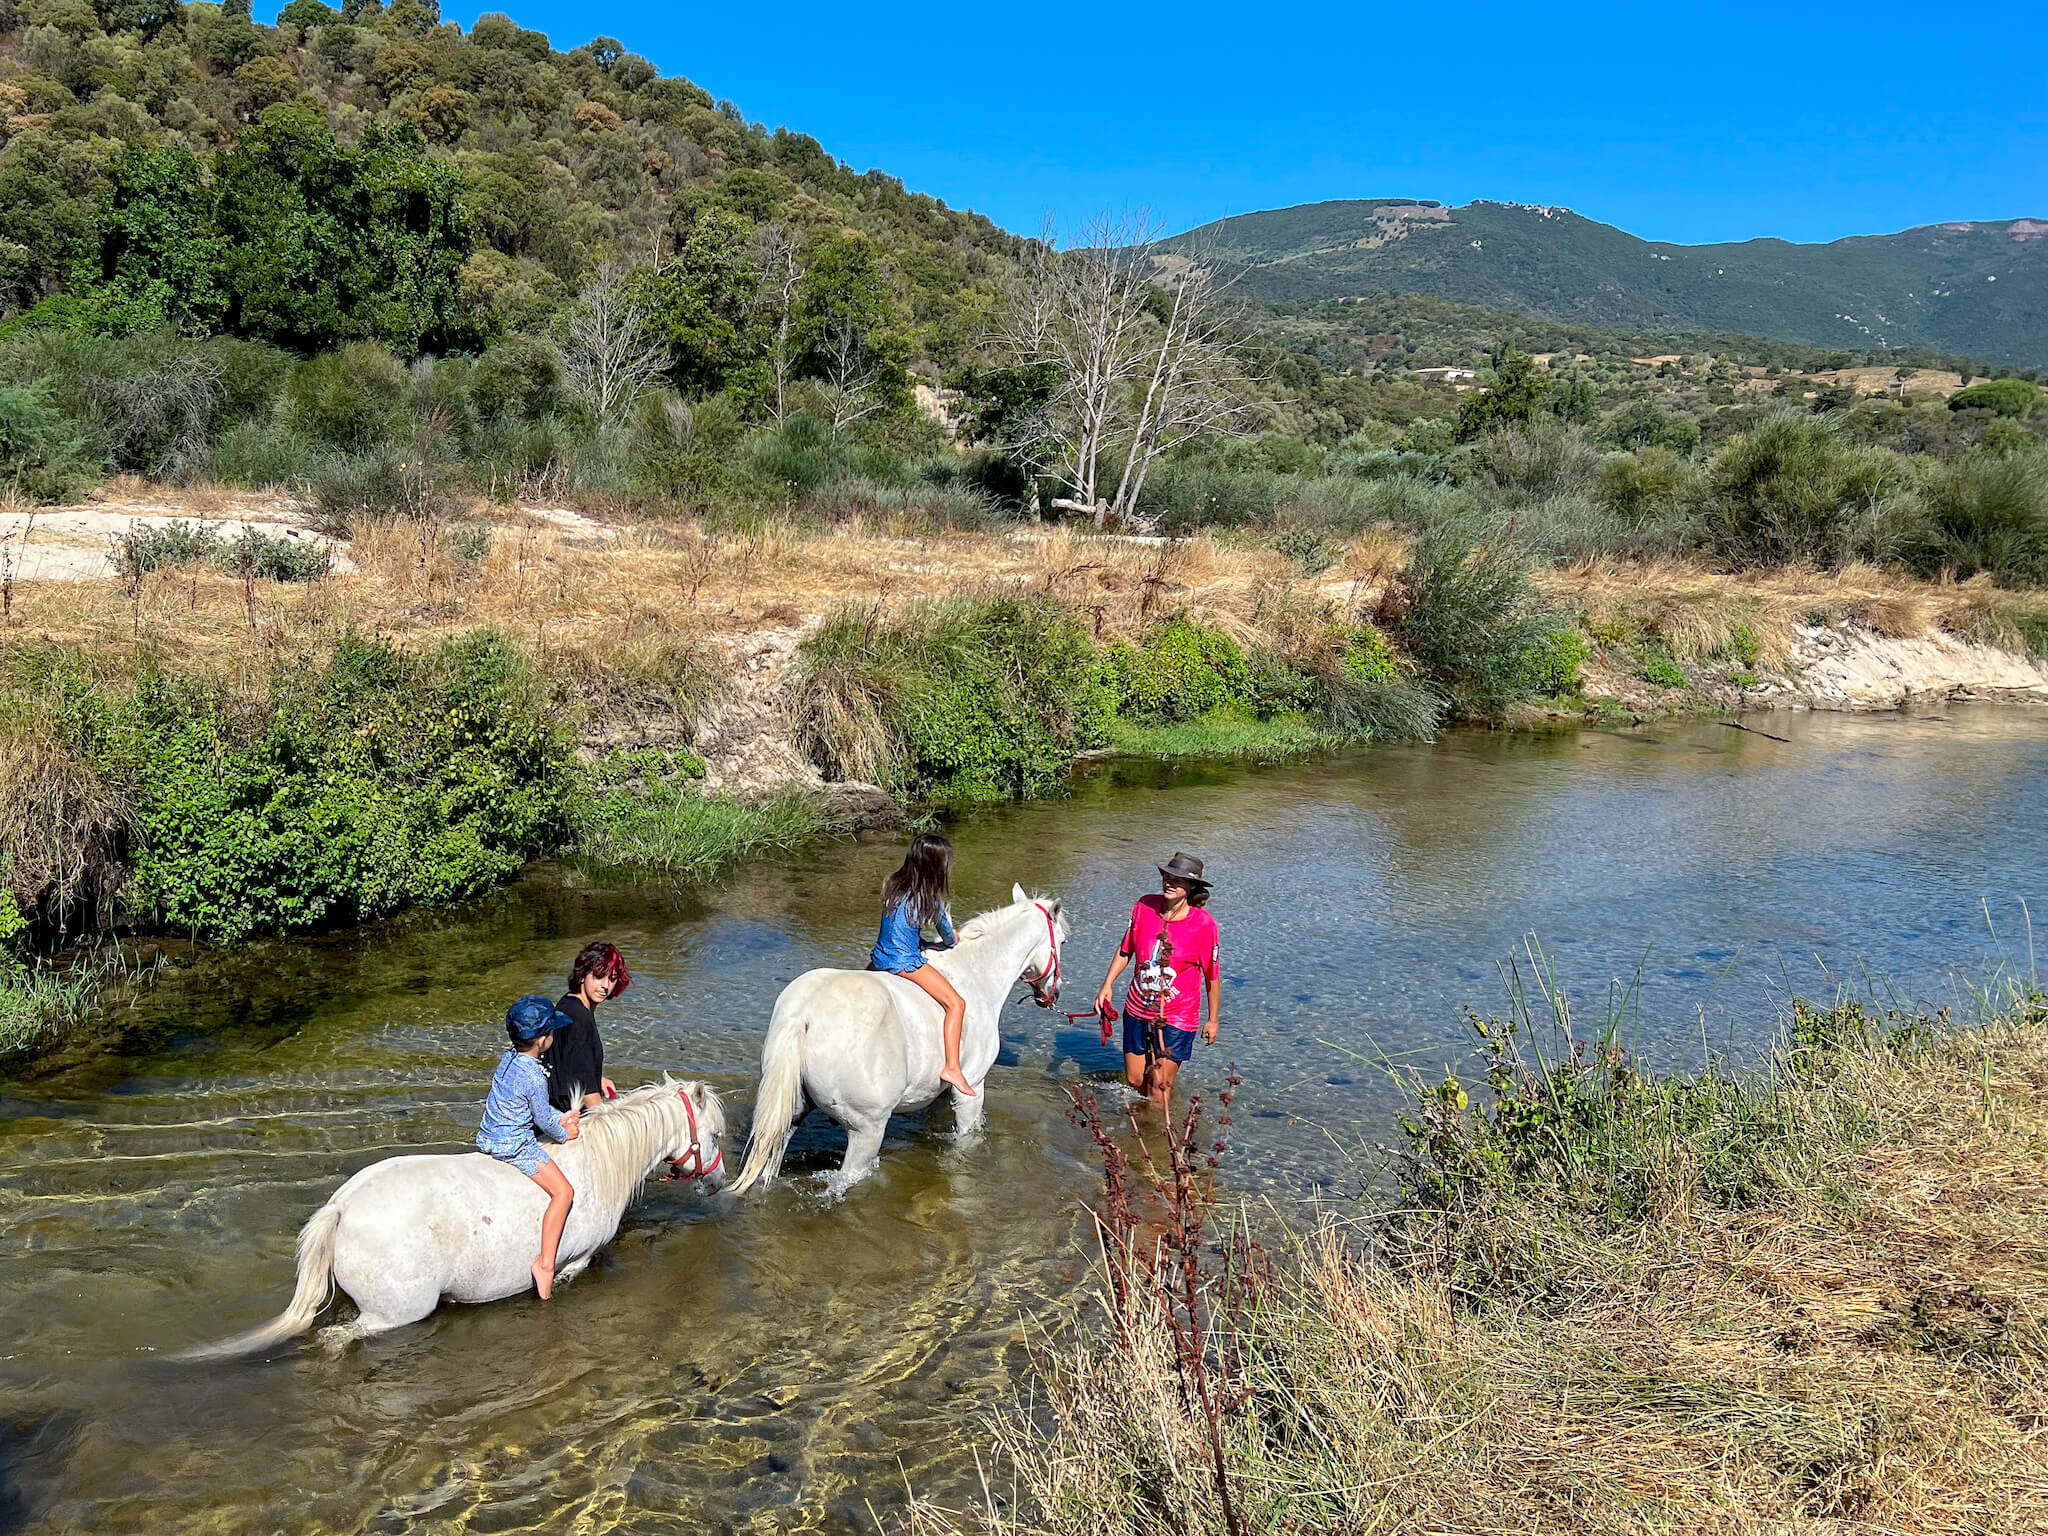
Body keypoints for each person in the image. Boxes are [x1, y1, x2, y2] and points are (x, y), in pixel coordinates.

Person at [1093, 851, 1221, 1113]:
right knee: (1135, 1080)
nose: (1169, 882)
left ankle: (1156, 1144)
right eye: (1167, 876)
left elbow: (1211, 975)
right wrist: (1107, 985)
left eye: (1179, 879)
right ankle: (1141, 1124)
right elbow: (1125, 950)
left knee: (1158, 1088)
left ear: (1192, 887)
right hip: (1137, 1009)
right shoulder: (1144, 907)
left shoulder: (1204, 925)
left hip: (1177, 1016)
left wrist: (1213, 1019)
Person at [477, 995, 584, 1299]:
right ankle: (545, 1263)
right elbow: (542, 1121)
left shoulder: (509, 1059)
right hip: (515, 1145)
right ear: (542, 1040)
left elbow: (529, 1107)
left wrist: (561, 1116)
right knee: (564, 1193)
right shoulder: (535, 1075)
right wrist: (566, 1133)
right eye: (551, 1032)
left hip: (490, 1136)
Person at [871, 832, 975, 1097]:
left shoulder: (892, 884)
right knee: (956, 1004)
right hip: (903, 961)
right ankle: (952, 1066)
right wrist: (951, 939)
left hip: (878, 958)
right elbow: (950, 938)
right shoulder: (931, 899)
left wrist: (922, 942)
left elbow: (900, 928)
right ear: (936, 866)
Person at [542, 942, 631, 1113]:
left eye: (612, 979)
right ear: (582, 975)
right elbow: (588, 1094)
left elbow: (569, 1064)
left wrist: (596, 1079)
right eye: (599, 976)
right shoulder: (580, 1021)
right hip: (565, 1117)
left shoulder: (568, 1003)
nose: (605, 986)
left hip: (551, 1107)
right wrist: (609, 1125)